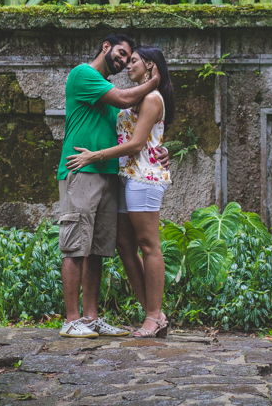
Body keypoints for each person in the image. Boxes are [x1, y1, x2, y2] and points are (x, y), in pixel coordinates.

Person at [56, 34, 164, 339]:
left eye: (129, 57)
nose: (123, 60)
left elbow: (136, 134)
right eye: (120, 53)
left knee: (97, 251)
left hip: (107, 174)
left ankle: (90, 318)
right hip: (82, 170)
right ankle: (71, 319)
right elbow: (128, 99)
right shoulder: (84, 75)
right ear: (105, 46)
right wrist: (154, 81)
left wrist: (159, 151)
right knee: (76, 246)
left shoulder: (106, 92)